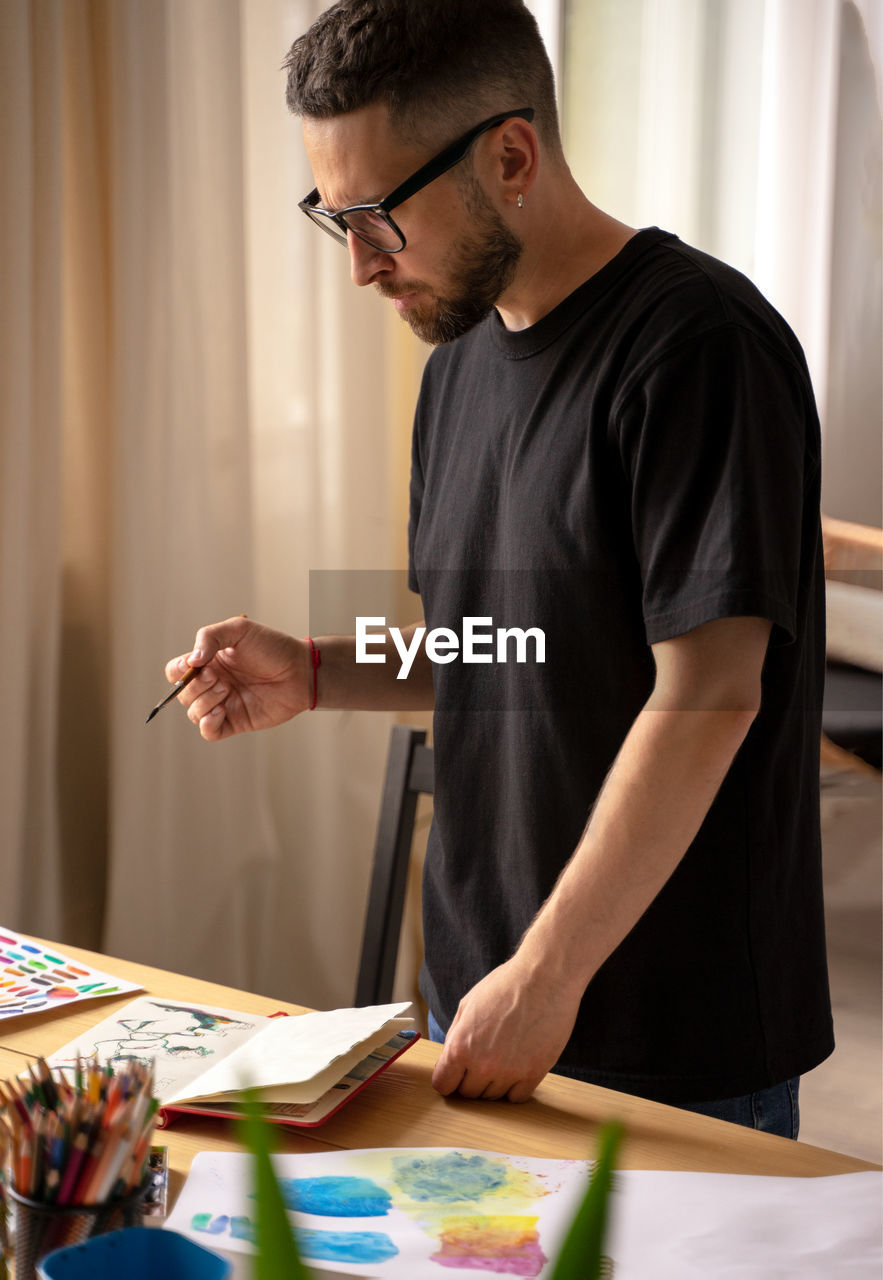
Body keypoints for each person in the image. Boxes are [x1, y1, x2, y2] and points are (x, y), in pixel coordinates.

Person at [165, 0, 833, 1136]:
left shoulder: (699, 347)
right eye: (337, 221)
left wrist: (548, 971)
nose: (362, 268)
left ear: (510, 155)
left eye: (379, 217)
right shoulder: (459, 363)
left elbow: (709, 697)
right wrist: (322, 667)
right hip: (482, 995)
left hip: (663, 1024)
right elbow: (518, 646)